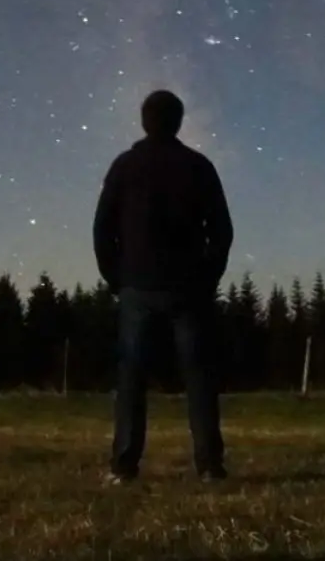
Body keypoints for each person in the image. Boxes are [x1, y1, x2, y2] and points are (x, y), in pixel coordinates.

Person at [92, 89, 234, 484]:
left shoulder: (125, 166)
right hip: (189, 288)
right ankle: (209, 466)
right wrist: (208, 278)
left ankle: (124, 466)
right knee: (199, 378)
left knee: (131, 379)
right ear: (179, 121)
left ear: (144, 120)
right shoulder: (198, 166)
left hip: (137, 286)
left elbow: (103, 228)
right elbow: (221, 231)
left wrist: (116, 278)